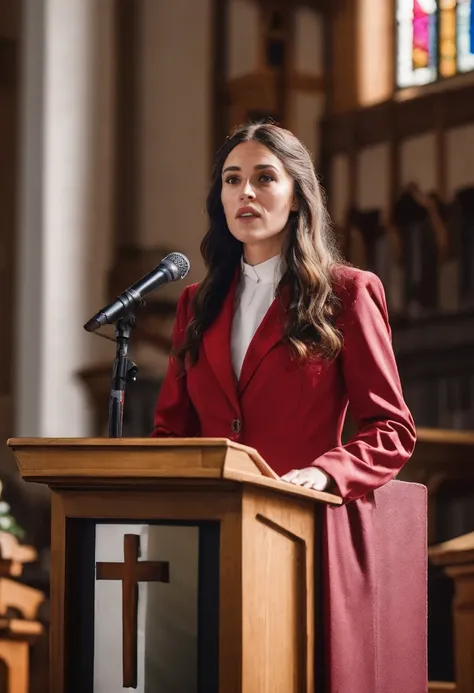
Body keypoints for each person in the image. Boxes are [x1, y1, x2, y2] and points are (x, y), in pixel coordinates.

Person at [151, 122, 418, 691]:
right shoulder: (197, 303)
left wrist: (324, 474)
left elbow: (392, 429)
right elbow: (171, 429)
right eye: (232, 180)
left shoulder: (347, 292)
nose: (245, 193)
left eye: (264, 178)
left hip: (304, 535)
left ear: (296, 195)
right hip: (209, 540)